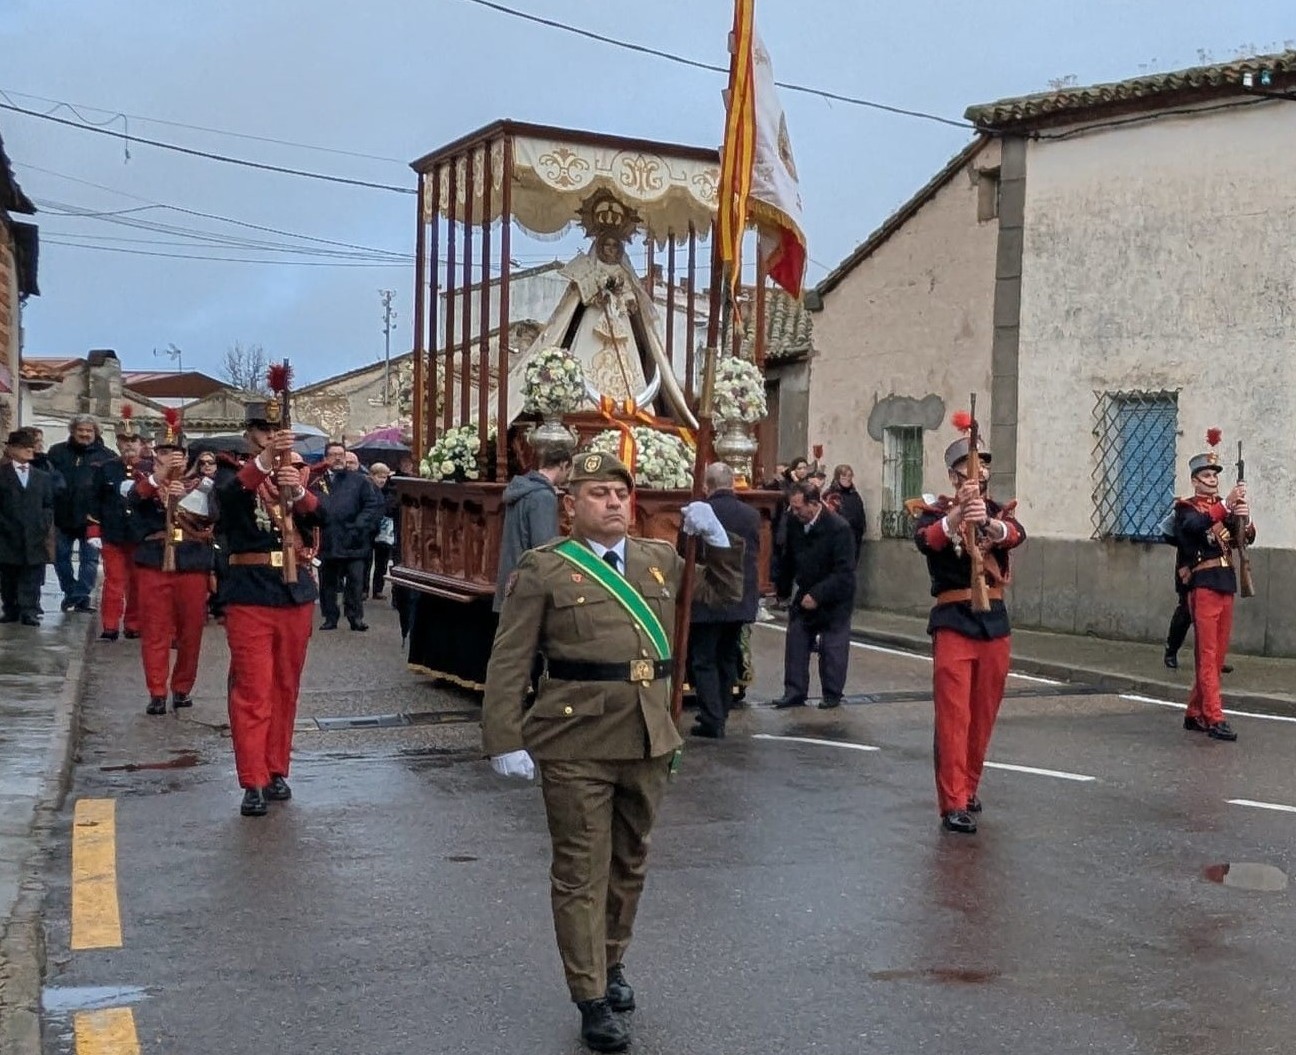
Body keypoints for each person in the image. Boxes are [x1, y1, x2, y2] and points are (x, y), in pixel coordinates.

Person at [482, 451, 742, 1053]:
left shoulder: (659, 559)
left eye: (621, 494)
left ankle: (612, 960)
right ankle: (590, 995)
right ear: (570, 505)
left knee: (629, 862)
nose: (614, 503)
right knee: (580, 870)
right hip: (575, 740)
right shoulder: (545, 568)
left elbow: (722, 597)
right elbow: (510, 658)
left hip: (647, 735)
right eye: (599, 494)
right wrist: (504, 737)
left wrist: (718, 542)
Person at [912, 424, 1026, 835]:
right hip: (954, 622)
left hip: (993, 622)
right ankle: (953, 801)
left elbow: (1015, 534)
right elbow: (927, 540)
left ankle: (970, 787)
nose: (978, 473)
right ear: (953, 475)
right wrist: (959, 513)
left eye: (982, 466)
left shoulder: (996, 511)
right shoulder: (934, 512)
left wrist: (988, 524)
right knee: (953, 718)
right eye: (969, 467)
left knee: (983, 717)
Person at [217, 402, 328, 817]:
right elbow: (228, 503)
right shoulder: (232, 471)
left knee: (285, 687)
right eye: (264, 430)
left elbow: (325, 518)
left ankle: (276, 768)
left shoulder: (297, 472)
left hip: (293, 593)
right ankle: (252, 779)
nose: (272, 435)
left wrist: (297, 491)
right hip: (250, 593)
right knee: (253, 691)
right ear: (251, 434)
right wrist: (264, 461)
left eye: (278, 429)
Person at [129, 415, 216, 715]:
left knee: (190, 632)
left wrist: (187, 498)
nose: (170, 457)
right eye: (164, 452)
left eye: (175, 452)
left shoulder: (201, 485)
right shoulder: (144, 482)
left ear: (187, 455)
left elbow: (211, 517)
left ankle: (182, 687)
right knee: (154, 630)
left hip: (190, 562)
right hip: (154, 562)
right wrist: (160, 478)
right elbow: (133, 503)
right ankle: (156, 690)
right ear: (155, 454)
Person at [1172, 433, 1253, 742]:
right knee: (1207, 655)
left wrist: (1244, 516)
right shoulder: (1186, 508)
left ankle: (1194, 712)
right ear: (1195, 481)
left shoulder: (1222, 510)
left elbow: (1243, 539)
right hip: (1204, 585)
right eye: (1206, 475)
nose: (1212, 480)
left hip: (1226, 583)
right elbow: (1193, 528)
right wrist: (1225, 506)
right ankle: (1214, 717)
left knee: (1217, 656)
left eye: (1214, 475)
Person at [687, 462, 760, 738]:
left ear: (707, 485)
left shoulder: (699, 512)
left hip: (708, 596)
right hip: (739, 597)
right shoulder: (751, 515)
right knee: (728, 655)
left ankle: (712, 717)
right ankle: (722, 711)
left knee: (704, 658)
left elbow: (687, 552)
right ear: (732, 483)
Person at [772, 481, 858, 711]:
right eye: (792, 507)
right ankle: (794, 691)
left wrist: (819, 595)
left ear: (813, 504)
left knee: (833, 647)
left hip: (834, 597)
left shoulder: (839, 528)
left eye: (798, 507)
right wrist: (782, 589)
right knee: (796, 640)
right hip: (805, 591)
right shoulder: (794, 523)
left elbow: (844, 572)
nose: (795, 512)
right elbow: (788, 558)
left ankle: (832, 693)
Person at [310, 441, 383, 631]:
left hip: (354, 540)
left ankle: (355, 617)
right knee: (328, 582)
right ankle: (330, 617)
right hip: (329, 539)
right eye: (333, 455)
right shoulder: (317, 481)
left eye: (341, 455)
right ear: (325, 458)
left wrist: (359, 526)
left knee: (355, 581)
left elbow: (371, 505)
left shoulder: (359, 481)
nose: (338, 458)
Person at [492, 445, 573, 613]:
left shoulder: (521, 488)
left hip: (511, 577)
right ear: (563, 465)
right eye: (568, 471)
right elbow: (544, 547)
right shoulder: (543, 496)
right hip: (529, 587)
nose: (567, 477)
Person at [47, 414, 114, 613]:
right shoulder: (57, 452)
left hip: (92, 518)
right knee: (60, 558)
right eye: (81, 430)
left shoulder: (107, 456)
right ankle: (70, 593)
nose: (84, 434)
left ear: (96, 432)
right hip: (62, 516)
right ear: (73, 431)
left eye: (89, 430)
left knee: (90, 561)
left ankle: (81, 597)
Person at [96, 410, 145, 641]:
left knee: (137, 583)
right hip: (113, 534)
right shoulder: (105, 469)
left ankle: (133, 624)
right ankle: (110, 625)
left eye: (133, 440)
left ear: (141, 443)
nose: (129, 445)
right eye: (124, 441)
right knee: (114, 581)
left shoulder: (150, 469)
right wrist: (93, 530)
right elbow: (94, 500)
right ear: (117, 443)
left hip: (140, 535)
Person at [0, 429, 55, 626]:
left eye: (31, 447)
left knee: (32, 573)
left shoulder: (42, 476)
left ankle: (29, 610)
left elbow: (48, 504)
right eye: (24, 447)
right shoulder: (2, 474)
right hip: (7, 533)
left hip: (34, 533)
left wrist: (43, 523)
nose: (29, 451)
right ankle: (10, 608)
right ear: (12, 449)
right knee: (8, 574)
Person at [366, 462, 397, 600]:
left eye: (385, 477)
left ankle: (378, 589)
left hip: (384, 532)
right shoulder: (367, 489)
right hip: (369, 529)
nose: (382, 480)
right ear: (372, 476)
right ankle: (364, 589)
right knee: (366, 561)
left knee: (382, 562)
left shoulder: (389, 491)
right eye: (379, 477)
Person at [825, 463, 866, 561]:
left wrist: (862, 527)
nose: (847, 479)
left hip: (855, 536)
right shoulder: (831, 494)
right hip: (839, 537)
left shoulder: (854, 494)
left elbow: (860, 512)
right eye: (844, 476)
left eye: (850, 476)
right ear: (837, 477)